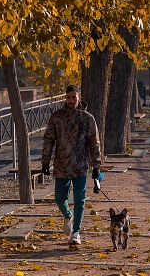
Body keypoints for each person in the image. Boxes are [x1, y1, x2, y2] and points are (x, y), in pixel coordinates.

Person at [41, 84, 101, 245]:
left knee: (80, 199)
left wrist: (97, 165)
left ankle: (76, 232)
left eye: (74, 97)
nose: (71, 100)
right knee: (60, 198)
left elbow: (94, 142)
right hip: (61, 164)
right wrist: (45, 161)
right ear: (65, 98)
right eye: (68, 97)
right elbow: (48, 139)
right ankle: (68, 215)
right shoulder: (57, 117)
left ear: (79, 97)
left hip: (81, 164)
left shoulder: (87, 118)